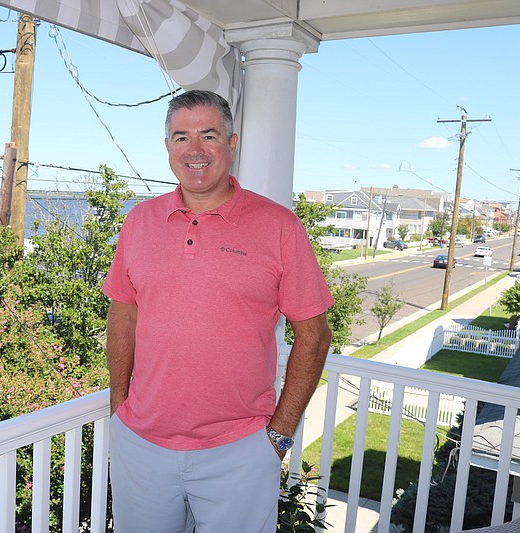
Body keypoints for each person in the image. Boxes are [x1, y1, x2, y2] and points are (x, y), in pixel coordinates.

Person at [102, 89, 334, 532]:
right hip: (143, 446)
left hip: (240, 452)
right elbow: (123, 316)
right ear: (167, 146)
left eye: (208, 135)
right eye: (180, 137)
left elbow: (315, 334)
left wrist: (278, 436)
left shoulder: (279, 227)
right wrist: (119, 407)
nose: (194, 150)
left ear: (232, 143)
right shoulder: (139, 222)